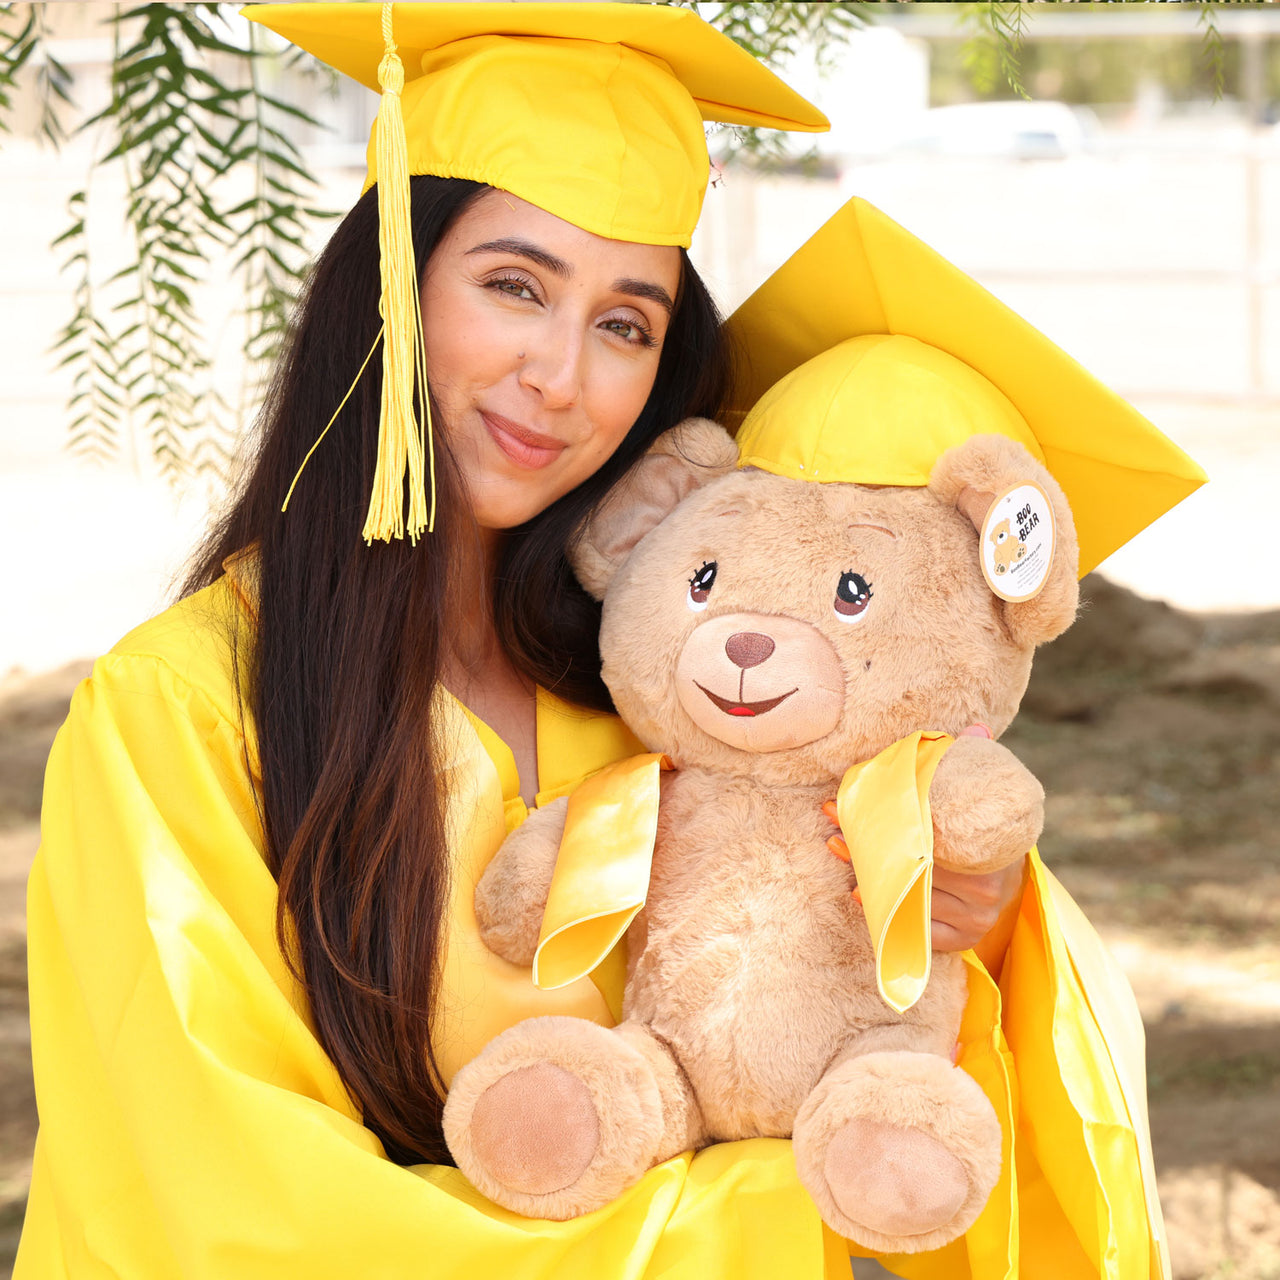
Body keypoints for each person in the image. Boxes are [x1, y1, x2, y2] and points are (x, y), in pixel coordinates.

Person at [17, 4, 1177, 1278]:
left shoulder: (665, 673)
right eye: (513, 285)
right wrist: (757, 1215)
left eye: (625, 322)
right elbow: (219, 1195)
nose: (561, 376)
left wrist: (968, 910)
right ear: (390, 285)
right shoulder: (183, 709)